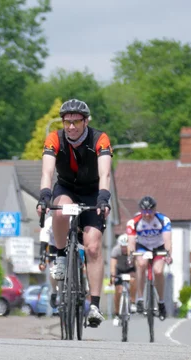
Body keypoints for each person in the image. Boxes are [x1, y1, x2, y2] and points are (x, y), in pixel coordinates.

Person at [36, 99, 113, 328]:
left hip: (92, 193)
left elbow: (105, 174)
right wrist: (44, 195)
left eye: (76, 122)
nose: (71, 127)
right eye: (67, 122)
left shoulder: (100, 138)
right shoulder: (55, 138)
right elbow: (47, 171)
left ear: (86, 121)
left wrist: (103, 198)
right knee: (59, 213)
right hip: (67, 188)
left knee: (92, 246)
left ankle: (95, 306)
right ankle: (61, 256)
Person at [126, 195, 172, 320]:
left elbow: (167, 240)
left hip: (158, 248)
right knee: (141, 264)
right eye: (144, 211)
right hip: (143, 247)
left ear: (155, 209)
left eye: (150, 211)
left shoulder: (163, 220)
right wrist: (131, 255)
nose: (147, 214)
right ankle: (140, 298)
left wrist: (168, 254)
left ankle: (161, 302)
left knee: (158, 271)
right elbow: (131, 243)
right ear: (140, 211)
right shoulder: (133, 222)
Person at [110, 234, 136, 326]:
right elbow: (113, 264)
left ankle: (132, 302)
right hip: (119, 270)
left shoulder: (133, 250)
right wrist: (112, 276)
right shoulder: (116, 250)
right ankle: (117, 314)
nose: (124, 248)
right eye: (122, 246)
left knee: (133, 280)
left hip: (130, 270)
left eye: (126, 246)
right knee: (118, 291)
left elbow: (137, 265)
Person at [38, 211, 58, 308]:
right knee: (53, 271)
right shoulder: (49, 222)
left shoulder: (71, 219)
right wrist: (42, 260)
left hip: (70, 244)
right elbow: (43, 242)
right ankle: (54, 291)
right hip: (54, 247)